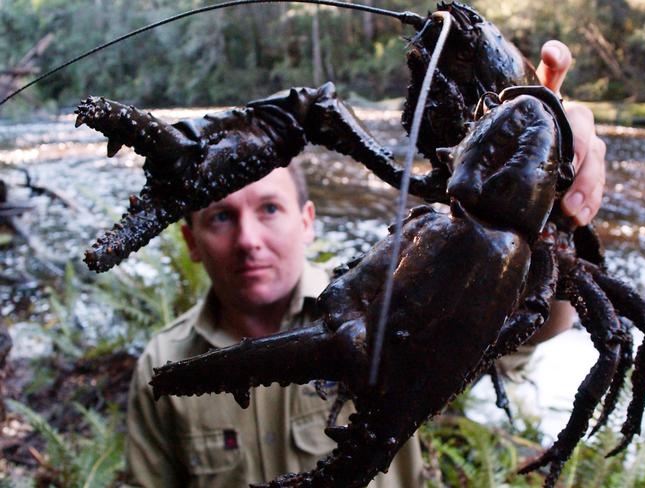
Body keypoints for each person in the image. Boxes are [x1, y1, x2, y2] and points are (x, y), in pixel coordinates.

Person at [125, 41, 607, 487]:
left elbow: (538, 324)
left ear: (307, 220)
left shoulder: (409, 282)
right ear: (189, 240)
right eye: (221, 217)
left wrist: (558, 219)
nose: (248, 240)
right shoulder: (157, 359)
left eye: (269, 209)